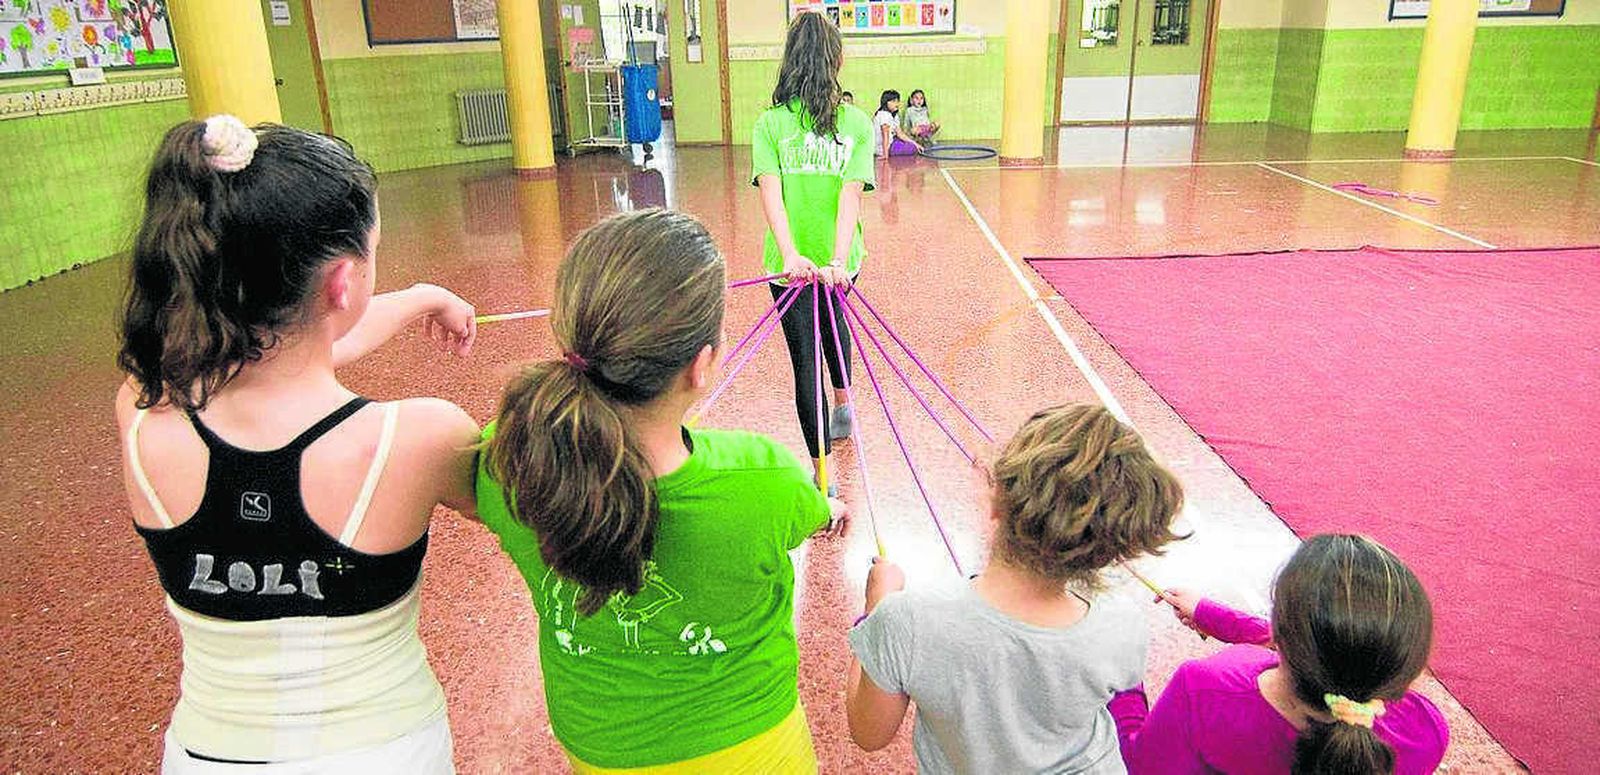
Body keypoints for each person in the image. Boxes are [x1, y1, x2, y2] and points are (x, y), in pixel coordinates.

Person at [117, 115, 481, 773]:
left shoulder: (143, 410)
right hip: (384, 754)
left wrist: (419, 299)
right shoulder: (421, 436)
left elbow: (278, 363)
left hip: (203, 755)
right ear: (343, 283)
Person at [477, 209, 849, 773]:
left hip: (600, 756)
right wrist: (829, 509)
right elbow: (809, 514)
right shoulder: (764, 475)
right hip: (759, 754)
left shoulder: (506, 459)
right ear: (702, 365)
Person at [847, 404, 1185, 773]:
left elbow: (869, 732)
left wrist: (876, 607)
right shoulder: (1123, 624)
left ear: (997, 501)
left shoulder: (906, 618)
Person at [1116, 534, 1449, 775]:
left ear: (1281, 632)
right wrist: (1209, 613)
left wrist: (1122, 675)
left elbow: (1136, 764)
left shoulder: (1204, 691)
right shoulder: (1425, 728)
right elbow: (1327, 646)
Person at [752, 11, 876, 491]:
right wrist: (837, 261)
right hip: (825, 263)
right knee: (824, 338)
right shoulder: (856, 121)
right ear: (836, 60)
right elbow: (849, 194)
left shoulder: (770, 123)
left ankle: (823, 476)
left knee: (807, 357)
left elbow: (773, 195)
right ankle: (842, 410)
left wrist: (791, 255)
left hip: (796, 266)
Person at [874, 89, 922, 158]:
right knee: (912, 148)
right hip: (882, 148)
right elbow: (885, 135)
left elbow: (900, 133)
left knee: (911, 144)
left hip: (890, 142)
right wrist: (885, 155)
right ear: (886, 102)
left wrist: (916, 144)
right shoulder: (884, 114)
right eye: (893, 101)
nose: (897, 104)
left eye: (897, 101)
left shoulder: (894, 115)